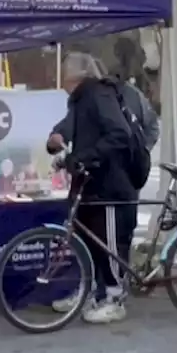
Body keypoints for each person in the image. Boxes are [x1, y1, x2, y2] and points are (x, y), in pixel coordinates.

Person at [46, 53, 139, 324]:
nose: (61, 81)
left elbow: (120, 134)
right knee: (87, 240)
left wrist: (86, 157)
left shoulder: (99, 95)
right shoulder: (79, 100)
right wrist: (57, 137)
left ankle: (114, 297)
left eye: (63, 76)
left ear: (74, 77)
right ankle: (89, 291)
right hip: (89, 182)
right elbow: (69, 126)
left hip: (109, 183)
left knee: (107, 242)